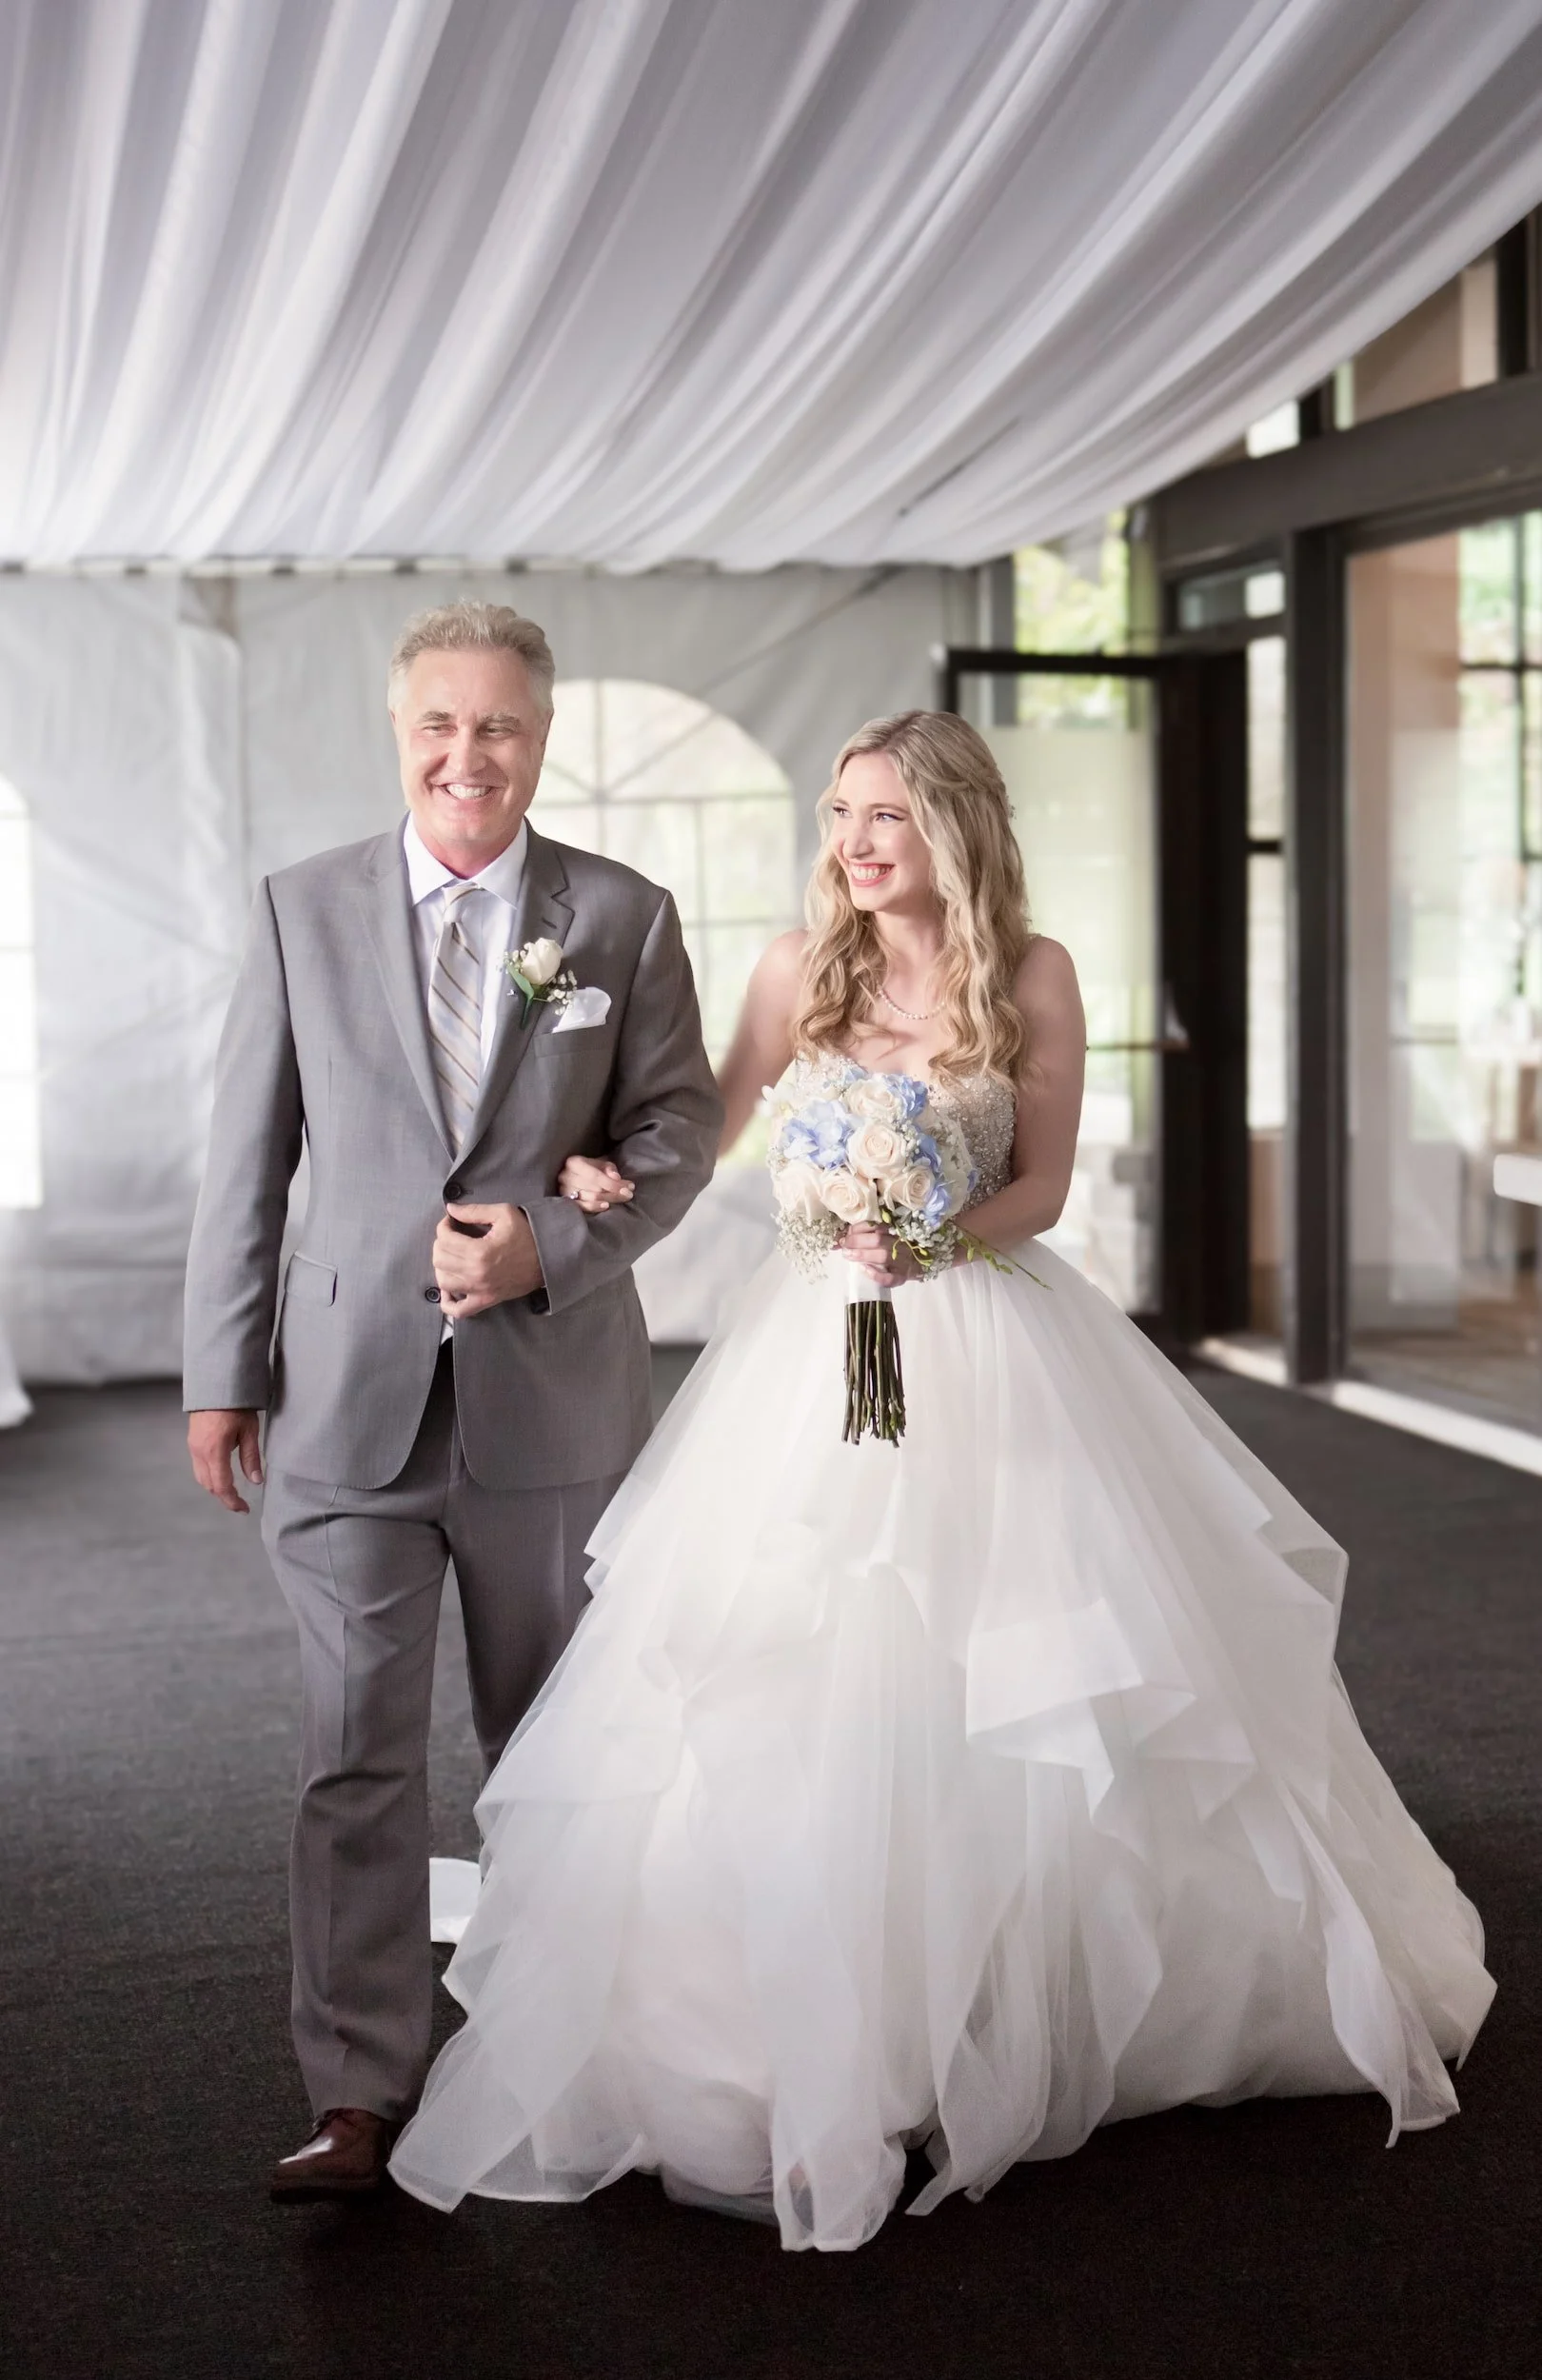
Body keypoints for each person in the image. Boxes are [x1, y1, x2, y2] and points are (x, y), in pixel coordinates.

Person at [389, 708, 1493, 2251]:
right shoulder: (794, 968)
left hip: (982, 1335)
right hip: (808, 1362)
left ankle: (1030, 1994)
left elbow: (1037, 1184)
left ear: (957, 826)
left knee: (1023, 1661)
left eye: (889, 814)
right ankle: (809, 2003)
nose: (855, 840)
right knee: (799, 1655)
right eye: (843, 812)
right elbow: (701, 1127)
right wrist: (603, 1176)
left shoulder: (1029, 973)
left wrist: (931, 1238)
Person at [182, 603, 722, 2199]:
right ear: (398, 730)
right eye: (439, 725)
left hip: (551, 1410)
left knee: (545, 1750)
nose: (466, 757)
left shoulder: (620, 917)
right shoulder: (301, 909)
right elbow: (248, 1158)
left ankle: (549, 2054)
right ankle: (358, 2094)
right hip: (346, 1399)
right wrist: (224, 1371)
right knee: (352, 1753)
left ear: (541, 739)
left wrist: (551, 1244)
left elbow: (682, 1128)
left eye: (499, 728)